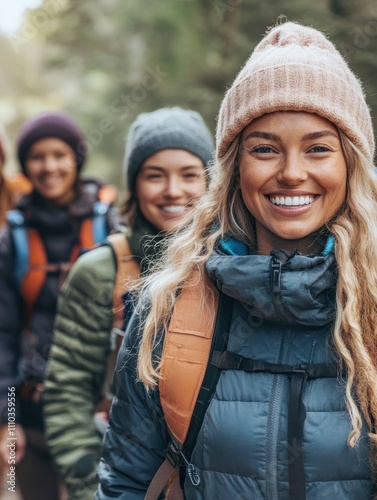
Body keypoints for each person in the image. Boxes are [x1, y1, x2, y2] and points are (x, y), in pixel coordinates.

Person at [96, 21, 377, 500]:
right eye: (264, 149)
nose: (291, 172)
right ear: (234, 169)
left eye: (318, 149)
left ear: (350, 165)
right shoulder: (167, 311)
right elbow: (125, 482)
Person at [44, 107, 214, 500]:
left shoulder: (235, 266)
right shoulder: (99, 272)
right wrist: (94, 488)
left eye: (189, 174)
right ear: (134, 185)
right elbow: (67, 391)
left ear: (212, 181)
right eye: (155, 175)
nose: (173, 190)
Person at [0, 111, 118, 500]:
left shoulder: (109, 226)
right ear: (25, 164)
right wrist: (8, 418)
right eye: (37, 156)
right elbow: (6, 336)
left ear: (77, 159)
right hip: (33, 410)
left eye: (59, 154)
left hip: (97, 409)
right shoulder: (12, 238)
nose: (49, 166)